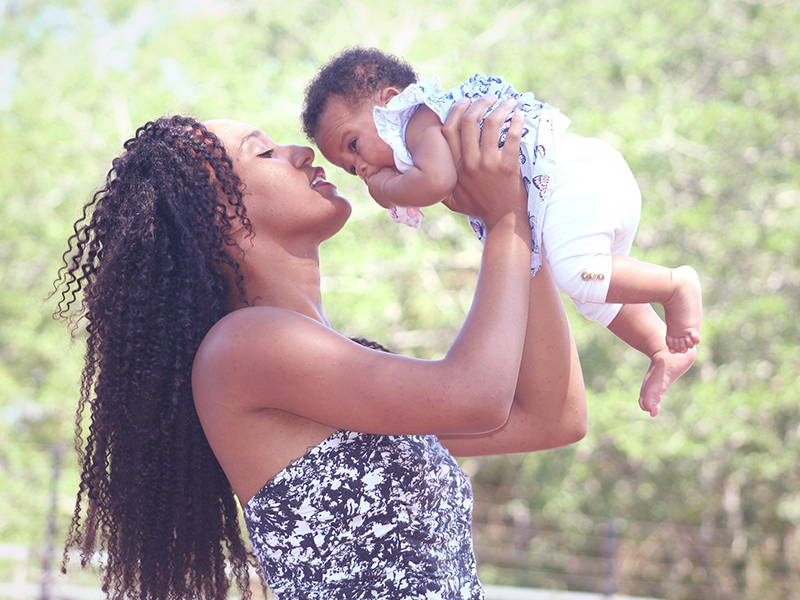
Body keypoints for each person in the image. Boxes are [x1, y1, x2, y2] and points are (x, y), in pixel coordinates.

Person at [54, 97, 586, 600]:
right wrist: (503, 218)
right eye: (263, 152)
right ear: (217, 218)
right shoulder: (245, 347)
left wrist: (517, 218)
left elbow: (550, 418)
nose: (301, 152)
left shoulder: (331, 374)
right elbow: (476, 395)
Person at [301, 47, 703, 417]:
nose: (362, 168)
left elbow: (437, 181)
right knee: (594, 289)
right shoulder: (416, 135)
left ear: (390, 101)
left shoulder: (414, 119)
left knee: (578, 273)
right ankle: (660, 347)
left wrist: (385, 190)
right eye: (351, 170)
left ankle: (673, 284)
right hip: (576, 191)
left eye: (354, 145)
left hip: (571, 178)